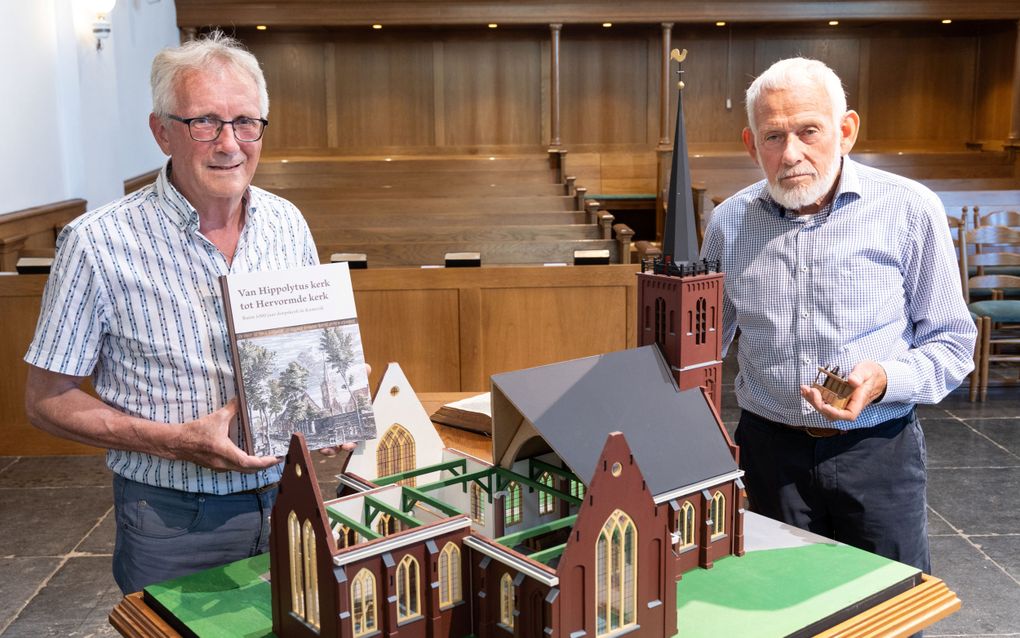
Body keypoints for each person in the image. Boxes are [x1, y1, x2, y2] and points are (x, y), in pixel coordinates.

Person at [23, 32, 329, 594]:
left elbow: (310, 352)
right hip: (174, 516)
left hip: (290, 496)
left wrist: (332, 406)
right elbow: (45, 402)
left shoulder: (288, 222)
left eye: (245, 121)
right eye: (205, 122)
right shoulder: (96, 242)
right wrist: (174, 440)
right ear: (161, 130)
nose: (229, 143)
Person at [700, 57, 976, 573]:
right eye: (773, 137)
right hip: (768, 454)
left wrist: (884, 378)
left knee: (886, 609)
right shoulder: (729, 222)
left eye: (809, 131)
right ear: (750, 144)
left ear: (846, 130)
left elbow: (953, 344)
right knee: (783, 604)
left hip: (878, 453)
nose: (792, 154)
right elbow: (705, 343)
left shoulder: (909, 209)